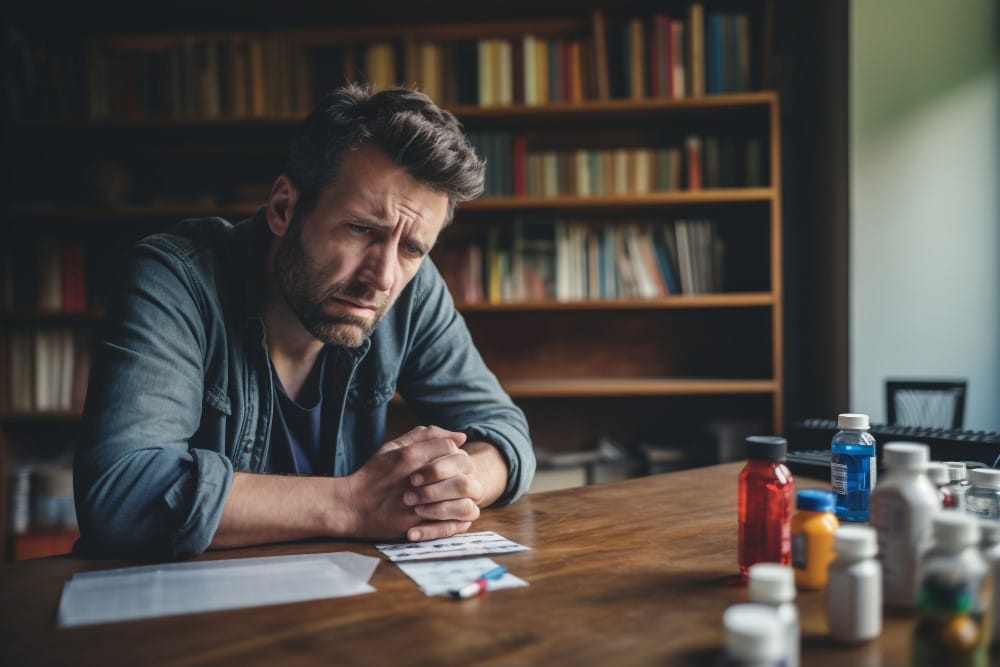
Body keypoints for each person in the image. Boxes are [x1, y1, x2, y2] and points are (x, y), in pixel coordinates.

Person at [73, 83, 535, 559]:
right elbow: (122, 494)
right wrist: (352, 504)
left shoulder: (412, 289)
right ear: (283, 208)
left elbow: (505, 432)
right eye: (360, 230)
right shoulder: (174, 279)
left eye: (413, 248)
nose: (382, 276)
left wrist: (454, 482)